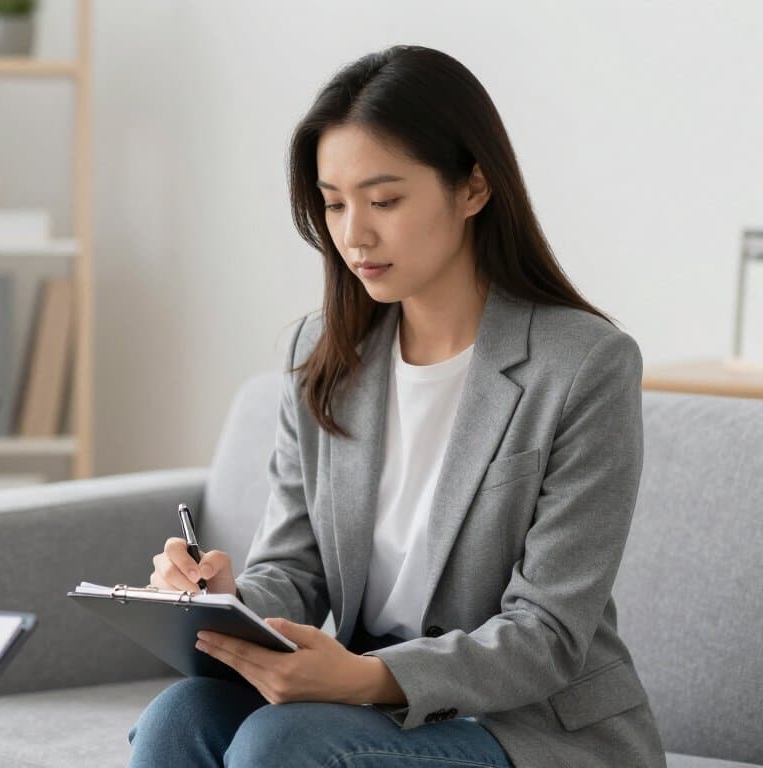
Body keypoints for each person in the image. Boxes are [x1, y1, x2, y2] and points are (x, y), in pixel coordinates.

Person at [130, 45, 666, 767]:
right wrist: (228, 601)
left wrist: (367, 678)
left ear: (473, 188)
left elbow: (548, 633)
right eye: (333, 203)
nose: (354, 234)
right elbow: (294, 568)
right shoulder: (322, 350)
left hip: (526, 726)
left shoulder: (583, 366)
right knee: (179, 719)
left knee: (279, 745)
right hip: (367, 704)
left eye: (384, 201)